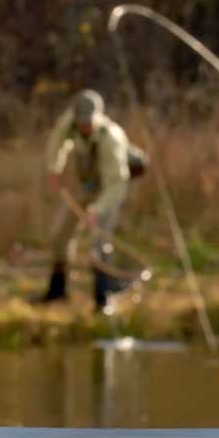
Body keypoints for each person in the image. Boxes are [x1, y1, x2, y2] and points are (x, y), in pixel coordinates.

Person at [36, 89, 133, 311]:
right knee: (60, 237)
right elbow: (56, 142)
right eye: (80, 122)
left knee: (98, 245)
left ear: (97, 118)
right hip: (85, 188)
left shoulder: (112, 138)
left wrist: (96, 211)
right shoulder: (69, 122)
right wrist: (54, 169)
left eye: (87, 123)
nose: (84, 127)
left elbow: (117, 184)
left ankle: (104, 299)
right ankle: (57, 292)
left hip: (109, 191)